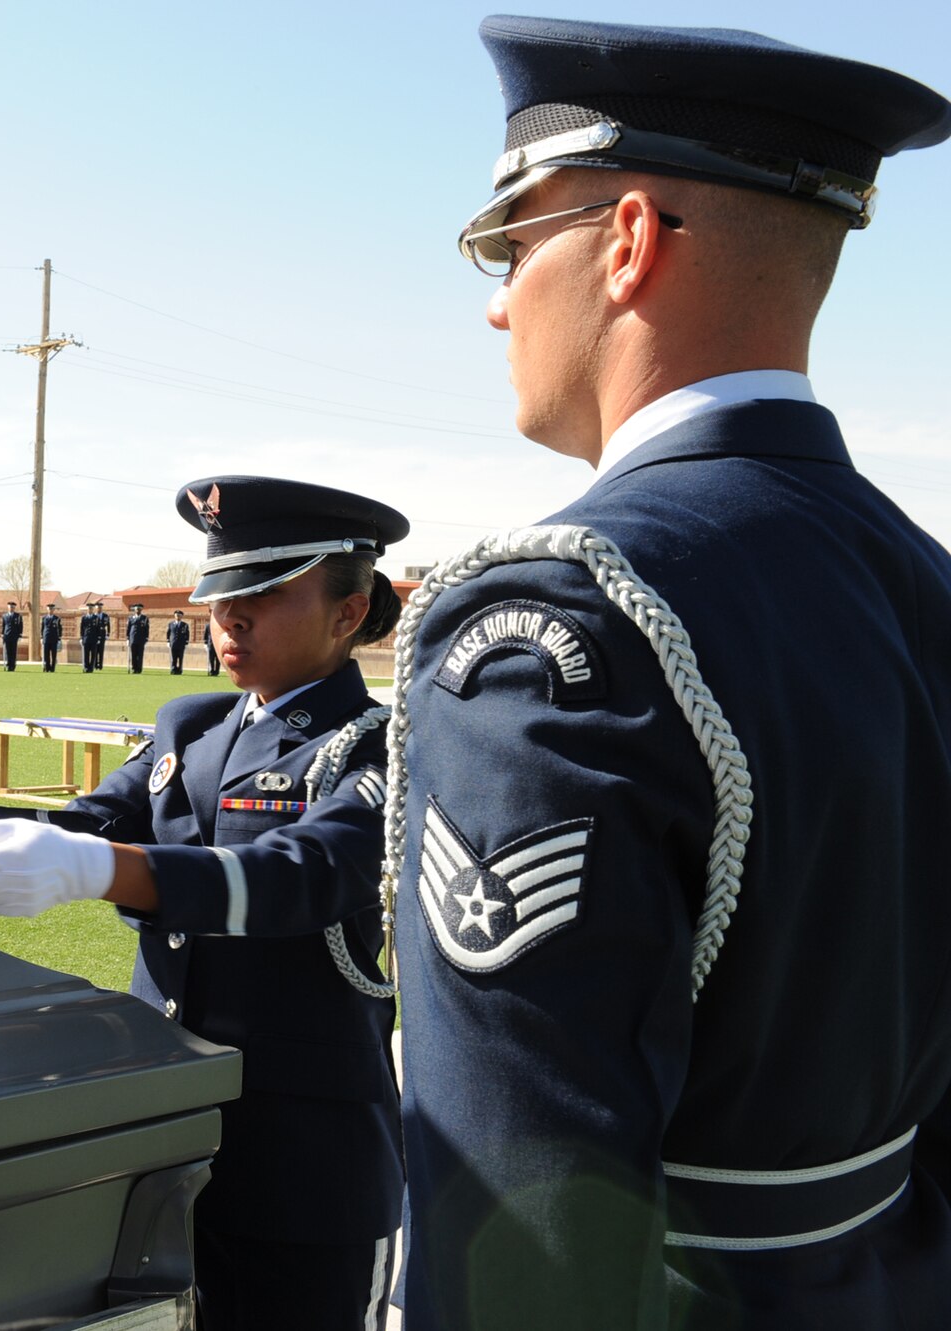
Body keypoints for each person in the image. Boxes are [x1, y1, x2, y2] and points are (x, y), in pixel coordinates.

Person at [389, 17, 951, 1329]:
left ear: (628, 240)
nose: (496, 300)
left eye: (509, 242)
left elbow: (523, 1216)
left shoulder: (552, 614)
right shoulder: (921, 580)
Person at [0, 476, 409, 1330]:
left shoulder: (378, 748)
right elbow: (85, 821)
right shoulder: (191, 727)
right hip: (163, 1132)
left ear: (348, 612)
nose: (231, 618)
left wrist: (98, 869)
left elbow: (299, 874)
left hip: (303, 1165)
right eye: (223, 594)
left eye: (265, 594)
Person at [126, 602, 151, 673]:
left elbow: (147, 629)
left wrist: (146, 638)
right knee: (133, 654)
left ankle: (139, 669)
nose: (138, 610)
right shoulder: (131, 618)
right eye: (136, 609)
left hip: (141, 639)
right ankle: (134, 668)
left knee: (140, 655)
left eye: (139, 609)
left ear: (141, 610)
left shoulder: (144, 618)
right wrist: (127, 638)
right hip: (133, 638)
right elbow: (128, 628)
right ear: (134, 610)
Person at [40, 600, 63, 671]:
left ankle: (52, 668)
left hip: (54, 638)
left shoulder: (57, 619)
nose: (50, 610)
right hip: (46, 638)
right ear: (47, 609)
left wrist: (59, 638)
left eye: (52, 609)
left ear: (53, 610)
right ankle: (47, 668)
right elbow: (42, 628)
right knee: (46, 654)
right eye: (49, 609)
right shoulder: (44, 618)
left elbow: (59, 629)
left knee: (53, 654)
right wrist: (42, 637)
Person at [0, 599, 23, 671]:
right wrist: (2, 634)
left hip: (14, 636)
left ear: (14, 608)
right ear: (8, 607)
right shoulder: (4, 616)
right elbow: (3, 626)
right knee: (7, 651)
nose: (11, 608)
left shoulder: (18, 616)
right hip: (7, 635)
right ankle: (8, 665)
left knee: (13, 651)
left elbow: (20, 626)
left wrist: (20, 635)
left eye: (13, 607)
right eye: (10, 607)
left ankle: (12, 666)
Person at [167, 608, 191, 675]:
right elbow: (168, 633)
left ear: (181, 616)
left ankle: (179, 670)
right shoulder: (171, 624)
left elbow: (187, 634)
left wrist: (186, 642)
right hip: (173, 643)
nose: (178, 616)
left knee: (180, 657)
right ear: (174, 616)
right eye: (176, 615)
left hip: (181, 644)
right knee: (173, 657)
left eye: (179, 615)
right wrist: (168, 641)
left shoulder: (185, 625)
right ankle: (173, 669)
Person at [78, 600, 99, 672]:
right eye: (89, 608)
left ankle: (91, 668)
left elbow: (98, 629)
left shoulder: (96, 618)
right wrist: (81, 637)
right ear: (87, 609)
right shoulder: (84, 618)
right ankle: (86, 667)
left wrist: (98, 638)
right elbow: (82, 628)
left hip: (93, 638)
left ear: (93, 609)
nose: (90, 609)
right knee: (86, 654)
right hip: (86, 638)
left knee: (93, 654)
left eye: (91, 608)